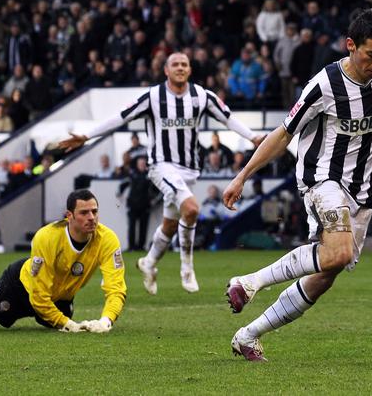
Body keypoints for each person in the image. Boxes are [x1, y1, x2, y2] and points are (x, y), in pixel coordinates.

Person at [222, 9, 372, 361]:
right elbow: (282, 132)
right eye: (370, 54)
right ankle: (249, 281)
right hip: (323, 180)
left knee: (327, 272)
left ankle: (248, 335)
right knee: (340, 252)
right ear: (351, 45)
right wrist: (242, 175)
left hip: (365, 190)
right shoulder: (323, 85)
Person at [60, 52, 263, 295]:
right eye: (175, 64)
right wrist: (87, 135)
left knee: (169, 224)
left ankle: (149, 262)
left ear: (189, 69)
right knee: (192, 208)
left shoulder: (202, 96)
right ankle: (187, 268)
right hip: (161, 165)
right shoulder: (153, 97)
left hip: (189, 169)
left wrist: (253, 137)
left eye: (184, 64)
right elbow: (121, 117)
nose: (180, 67)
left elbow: (228, 118)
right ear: (166, 70)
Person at [0, 189, 126, 332]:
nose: (91, 218)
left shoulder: (107, 239)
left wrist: (105, 322)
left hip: (58, 300)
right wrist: (67, 323)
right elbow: (38, 296)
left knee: (58, 325)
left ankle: (58, 317)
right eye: (84, 213)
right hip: (19, 287)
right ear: (69, 216)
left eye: (94, 211)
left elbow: (115, 287)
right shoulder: (47, 237)